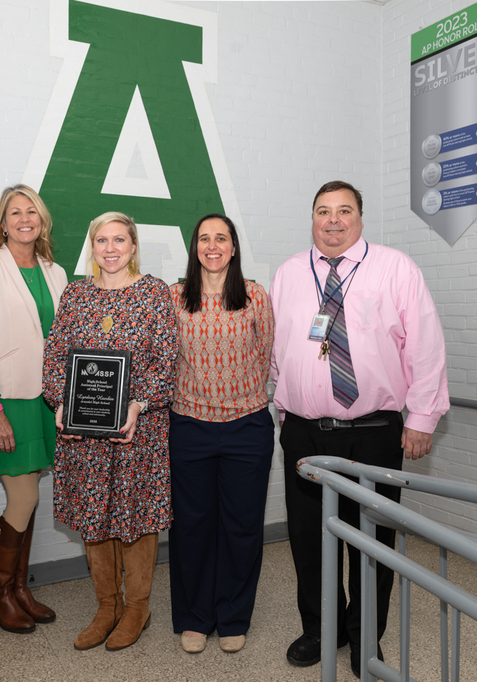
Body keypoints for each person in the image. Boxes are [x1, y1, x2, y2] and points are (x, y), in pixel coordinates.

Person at [269, 181, 449, 677]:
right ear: (312, 220)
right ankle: (318, 629)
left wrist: (422, 418)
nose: (333, 220)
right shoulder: (288, 274)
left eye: (344, 210)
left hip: (374, 431)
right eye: (323, 211)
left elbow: (426, 346)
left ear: (360, 218)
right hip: (305, 433)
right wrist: (287, 410)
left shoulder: (395, 268)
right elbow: (276, 351)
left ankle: (365, 635)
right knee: (309, 539)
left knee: (371, 539)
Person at [42, 211, 177, 652]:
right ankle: (106, 606)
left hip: (138, 430)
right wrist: (60, 403)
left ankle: (137, 607)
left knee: (136, 515)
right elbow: (56, 355)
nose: (111, 248)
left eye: (120, 239)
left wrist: (138, 404)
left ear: (134, 245)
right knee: (93, 514)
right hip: (84, 436)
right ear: (92, 246)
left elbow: (166, 359)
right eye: (102, 240)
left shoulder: (154, 292)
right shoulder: (76, 295)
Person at [167, 214, 275, 655]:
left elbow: (266, 354)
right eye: (205, 239)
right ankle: (195, 618)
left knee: (242, 527)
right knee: (192, 526)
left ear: (233, 247)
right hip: (189, 425)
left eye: (222, 239)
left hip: (246, 426)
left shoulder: (254, 295)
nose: (213, 246)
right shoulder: (174, 297)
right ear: (195, 247)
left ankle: (232, 615)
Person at [0, 185, 67, 633]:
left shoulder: (56, 271)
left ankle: (19, 590)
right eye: (14, 212)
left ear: (41, 220)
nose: (24, 218)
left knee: (30, 496)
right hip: (6, 401)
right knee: (22, 497)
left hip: (46, 399)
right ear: (2, 223)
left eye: (32, 211)